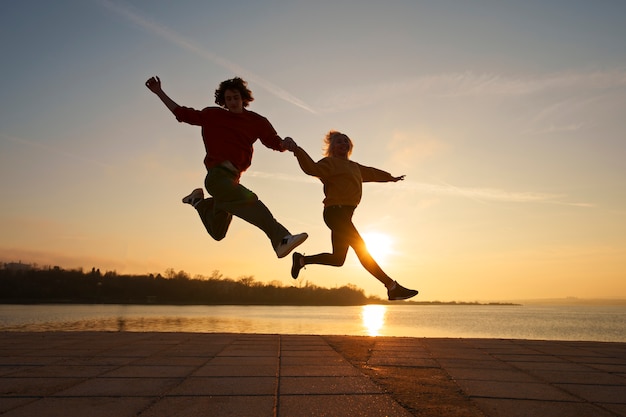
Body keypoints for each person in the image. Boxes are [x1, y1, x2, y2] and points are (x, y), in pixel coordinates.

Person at [145, 75, 307, 258]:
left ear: (243, 98)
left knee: (218, 232)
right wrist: (159, 92)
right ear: (223, 100)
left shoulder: (257, 121)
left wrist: (286, 143)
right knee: (249, 200)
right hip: (218, 177)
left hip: (233, 179)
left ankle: (198, 202)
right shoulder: (212, 115)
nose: (232, 102)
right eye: (228, 99)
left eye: (236, 97)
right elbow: (182, 113)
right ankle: (281, 239)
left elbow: (274, 142)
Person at [284, 131, 418, 301]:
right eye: (339, 141)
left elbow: (371, 172)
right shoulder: (330, 163)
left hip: (344, 216)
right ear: (332, 147)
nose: (343, 144)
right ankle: (391, 286)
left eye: (346, 141)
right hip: (335, 212)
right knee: (361, 247)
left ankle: (302, 260)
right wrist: (297, 150)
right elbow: (311, 168)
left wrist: (390, 178)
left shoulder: (355, 167)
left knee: (338, 259)